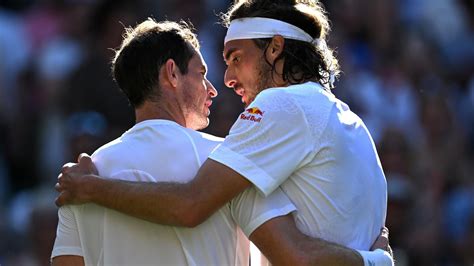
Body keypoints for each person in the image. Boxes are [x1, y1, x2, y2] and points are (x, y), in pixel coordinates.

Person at [56, 1, 393, 265]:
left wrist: (90, 187)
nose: (226, 81)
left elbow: (191, 204)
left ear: (275, 48)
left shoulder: (281, 105)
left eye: (235, 58)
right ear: (171, 75)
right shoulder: (352, 123)